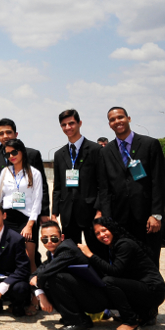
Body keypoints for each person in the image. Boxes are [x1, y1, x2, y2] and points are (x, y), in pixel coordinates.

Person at [99, 106, 165, 266]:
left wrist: (156, 214)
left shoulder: (150, 144)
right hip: (119, 220)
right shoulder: (105, 152)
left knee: (149, 264)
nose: (117, 121)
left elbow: (158, 182)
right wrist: (107, 222)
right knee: (124, 264)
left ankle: (153, 292)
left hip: (147, 220)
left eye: (120, 117)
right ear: (109, 124)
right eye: (112, 119)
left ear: (128, 119)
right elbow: (104, 189)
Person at [86, 217, 165, 330]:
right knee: (108, 283)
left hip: (153, 291)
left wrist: (90, 255)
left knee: (108, 281)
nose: (101, 235)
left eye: (104, 230)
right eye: (97, 233)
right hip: (145, 289)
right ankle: (145, 313)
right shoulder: (115, 245)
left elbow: (115, 271)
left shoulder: (124, 244)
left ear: (112, 228)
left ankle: (130, 322)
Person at [30, 220, 109, 330]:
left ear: (62, 237)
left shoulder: (67, 249)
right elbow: (33, 276)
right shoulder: (51, 254)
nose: (50, 242)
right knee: (48, 280)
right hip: (85, 296)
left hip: (96, 299)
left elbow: (43, 274)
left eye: (54, 238)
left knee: (55, 277)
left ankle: (76, 322)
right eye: (45, 239)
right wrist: (41, 296)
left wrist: (38, 278)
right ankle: (82, 319)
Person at [51, 109, 109, 257]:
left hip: (91, 212)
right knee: (70, 253)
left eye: (71, 123)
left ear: (79, 123)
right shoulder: (59, 155)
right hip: (68, 214)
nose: (68, 127)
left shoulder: (96, 150)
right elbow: (58, 187)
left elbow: (102, 183)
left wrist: (100, 211)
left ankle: (101, 280)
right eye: (64, 125)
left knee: (97, 252)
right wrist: (54, 213)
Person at [0, 139, 43, 271]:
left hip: (26, 221)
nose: (11, 156)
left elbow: (37, 200)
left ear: (22, 152)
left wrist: (30, 225)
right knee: (9, 258)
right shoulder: (5, 172)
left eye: (14, 152)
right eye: (8, 154)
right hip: (8, 219)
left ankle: (34, 290)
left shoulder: (34, 173)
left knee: (29, 259)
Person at [0, 119, 50, 222]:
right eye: (1, 133)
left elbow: (42, 186)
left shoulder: (32, 154)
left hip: (29, 213)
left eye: (8, 132)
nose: (5, 136)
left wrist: (44, 213)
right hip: (6, 215)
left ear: (16, 134)